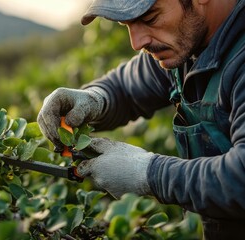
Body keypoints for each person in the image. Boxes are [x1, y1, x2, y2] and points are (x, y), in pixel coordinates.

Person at [37, 0, 245, 239]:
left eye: (150, 19)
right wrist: (95, 99)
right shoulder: (183, 43)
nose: (137, 43)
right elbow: (126, 88)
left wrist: (149, 173)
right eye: (126, 24)